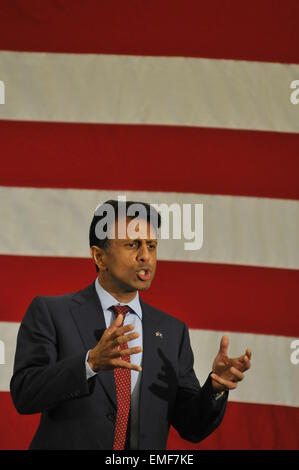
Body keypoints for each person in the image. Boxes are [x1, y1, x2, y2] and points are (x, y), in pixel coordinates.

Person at [10, 200, 251, 450]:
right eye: (133, 244)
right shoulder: (51, 313)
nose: (145, 256)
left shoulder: (172, 332)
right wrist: (89, 363)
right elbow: (25, 394)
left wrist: (215, 387)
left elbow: (192, 426)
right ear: (99, 257)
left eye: (151, 245)